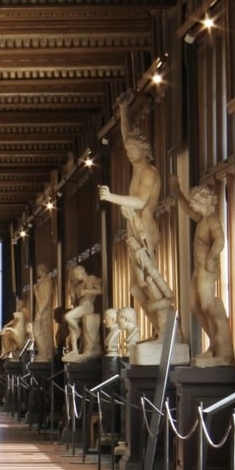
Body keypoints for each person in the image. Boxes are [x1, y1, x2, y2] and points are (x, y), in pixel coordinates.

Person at [99, 94, 174, 340]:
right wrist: (123, 111)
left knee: (147, 281)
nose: (129, 153)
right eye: (128, 150)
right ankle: (159, 330)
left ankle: (167, 331)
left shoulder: (149, 174)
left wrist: (112, 197)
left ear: (144, 150)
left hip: (145, 228)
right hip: (134, 228)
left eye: (133, 149)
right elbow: (126, 135)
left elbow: (141, 202)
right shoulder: (137, 169)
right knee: (136, 286)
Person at [169, 175, 234, 365]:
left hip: (206, 268)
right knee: (195, 307)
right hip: (199, 269)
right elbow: (188, 211)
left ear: (203, 202)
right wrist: (177, 192)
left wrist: (212, 258)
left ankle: (223, 352)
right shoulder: (202, 219)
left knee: (208, 306)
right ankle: (214, 346)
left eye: (194, 202)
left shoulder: (212, 221)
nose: (192, 206)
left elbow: (220, 241)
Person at [63, 266, 103, 360]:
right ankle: (75, 350)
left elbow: (100, 291)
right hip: (81, 307)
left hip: (87, 306)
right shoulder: (79, 285)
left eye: (76, 275)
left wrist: (87, 291)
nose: (76, 278)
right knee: (71, 327)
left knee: (68, 316)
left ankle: (78, 330)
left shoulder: (91, 278)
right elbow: (75, 300)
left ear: (81, 272)